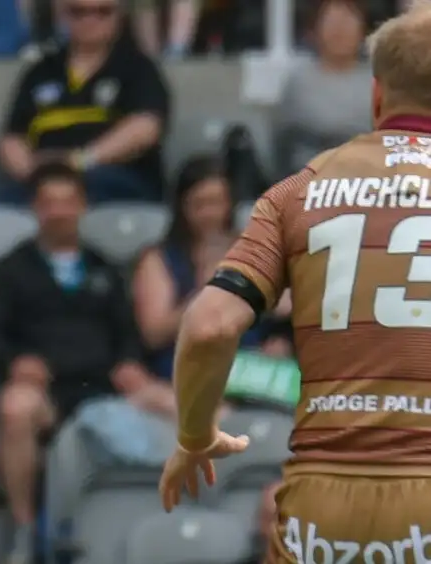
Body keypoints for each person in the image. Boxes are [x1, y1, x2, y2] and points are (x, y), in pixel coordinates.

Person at [158, 4, 431, 561]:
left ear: (376, 94)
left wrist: (194, 436)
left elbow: (209, 327)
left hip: (321, 504)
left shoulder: (299, 189)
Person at [0, 162, 150, 564]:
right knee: (15, 408)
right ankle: (25, 530)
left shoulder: (105, 267)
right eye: (49, 203)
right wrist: (14, 363)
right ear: (35, 208)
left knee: (173, 402)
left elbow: (128, 332)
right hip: (46, 393)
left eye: (68, 202)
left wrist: (129, 363)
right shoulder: (10, 270)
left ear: (83, 206)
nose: (59, 212)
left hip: (104, 388)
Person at [131, 155, 288, 382]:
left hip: (251, 369)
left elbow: (283, 309)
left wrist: (279, 338)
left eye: (216, 203)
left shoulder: (253, 248)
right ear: (182, 207)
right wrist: (207, 288)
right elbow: (154, 334)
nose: (209, 214)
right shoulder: (158, 259)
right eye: (199, 204)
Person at [0, 0, 169, 204]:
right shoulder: (40, 71)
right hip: (42, 183)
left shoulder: (138, 68)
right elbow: (12, 137)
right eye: (78, 12)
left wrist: (80, 160)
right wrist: (31, 170)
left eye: (103, 11)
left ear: (120, 15)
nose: (90, 19)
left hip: (114, 180)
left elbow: (145, 128)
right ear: (64, 14)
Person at [275, 0, 371, 177]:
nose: (340, 30)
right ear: (315, 30)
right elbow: (279, 143)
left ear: (363, 30)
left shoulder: (378, 82)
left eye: (348, 22)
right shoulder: (299, 82)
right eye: (331, 22)